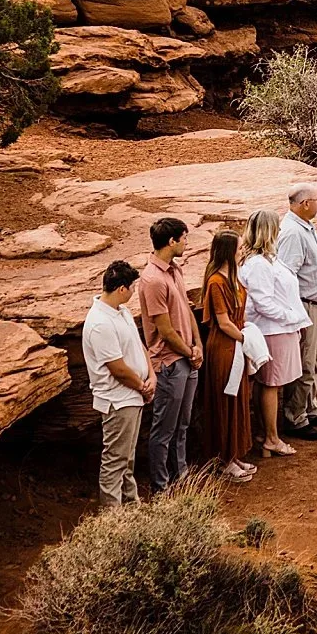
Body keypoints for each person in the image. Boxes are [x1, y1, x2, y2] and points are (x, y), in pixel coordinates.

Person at [137, 217, 202, 494]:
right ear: (172, 241)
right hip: (169, 362)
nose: (187, 243)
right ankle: (160, 486)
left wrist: (198, 344)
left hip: (187, 358)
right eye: (184, 238)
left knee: (182, 425)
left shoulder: (175, 270)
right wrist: (189, 352)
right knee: (164, 429)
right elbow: (164, 330)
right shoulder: (152, 279)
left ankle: (181, 476)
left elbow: (187, 310)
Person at [240, 208, 311, 456]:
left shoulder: (269, 259)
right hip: (273, 330)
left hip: (279, 329)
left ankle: (263, 433)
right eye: (276, 227)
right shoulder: (258, 264)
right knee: (272, 384)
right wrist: (292, 318)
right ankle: (271, 437)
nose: (280, 231)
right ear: (268, 231)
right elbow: (263, 303)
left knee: (267, 383)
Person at [83, 259, 154, 507]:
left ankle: (131, 504)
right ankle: (112, 516)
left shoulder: (121, 312)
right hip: (118, 399)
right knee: (115, 459)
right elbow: (117, 368)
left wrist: (151, 376)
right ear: (121, 289)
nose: (134, 291)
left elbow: (139, 345)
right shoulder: (99, 323)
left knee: (128, 457)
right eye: (132, 287)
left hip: (132, 395)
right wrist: (142, 386)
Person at [278, 184, 317, 441]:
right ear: (304, 203)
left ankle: (310, 408)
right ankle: (295, 418)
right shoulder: (292, 232)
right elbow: (286, 274)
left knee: (315, 358)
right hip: (304, 306)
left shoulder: (305, 227)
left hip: (315, 305)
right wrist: (295, 313)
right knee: (304, 362)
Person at [198, 229, 258, 483]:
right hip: (225, 346)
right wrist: (246, 339)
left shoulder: (232, 277)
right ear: (228, 251)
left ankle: (233, 455)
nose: (242, 250)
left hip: (236, 343)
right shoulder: (216, 282)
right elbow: (222, 322)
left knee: (239, 397)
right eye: (239, 247)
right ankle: (222, 460)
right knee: (225, 399)